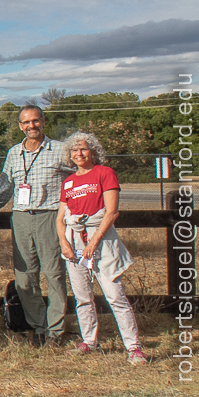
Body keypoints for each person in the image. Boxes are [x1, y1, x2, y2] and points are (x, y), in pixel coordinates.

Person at [57, 132, 148, 365]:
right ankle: (89, 341)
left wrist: (94, 241)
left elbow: (112, 211)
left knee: (115, 295)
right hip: (74, 245)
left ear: (93, 151)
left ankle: (133, 347)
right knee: (82, 297)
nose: (79, 153)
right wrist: (64, 243)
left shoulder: (105, 173)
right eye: (74, 150)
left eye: (83, 149)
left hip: (101, 242)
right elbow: (61, 218)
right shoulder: (68, 182)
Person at [2, 105, 74, 345]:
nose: (31, 126)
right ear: (20, 126)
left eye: (35, 121)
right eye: (26, 122)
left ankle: (55, 331)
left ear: (43, 121)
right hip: (21, 217)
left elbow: (79, 177)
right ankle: (39, 326)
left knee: (54, 275)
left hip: (49, 216)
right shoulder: (14, 153)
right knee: (24, 278)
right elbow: (4, 188)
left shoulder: (61, 150)